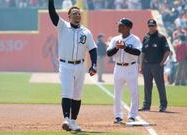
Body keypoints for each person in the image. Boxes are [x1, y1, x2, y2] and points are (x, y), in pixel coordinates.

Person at [48, 0, 97, 131]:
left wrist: (94, 65)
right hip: (65, 65)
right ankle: (66, 119)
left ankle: (73, 121)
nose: (77, 15)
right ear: (69, 16)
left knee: (77, 95)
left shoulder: (86, 32)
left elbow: (92, 49)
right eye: (74, 13)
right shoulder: (62, 26)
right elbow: (52, 14)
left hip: (80, 66)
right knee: (67, 92)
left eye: (79, 13)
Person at [107, 18, 141, 123]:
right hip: (118, 68)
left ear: (127, 27)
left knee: (134, 93)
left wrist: (125, 47)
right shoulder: (115, 39)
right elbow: (108, 53)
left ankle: (132, 115)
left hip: (131, 67)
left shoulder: (135, 39)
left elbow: (137, 52)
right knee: (117, 93)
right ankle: (118, 116)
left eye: (121, 25)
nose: (118, 27)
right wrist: (117, 48)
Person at [139, 19, 171, 112]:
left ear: (156, 26)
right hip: (147, 65)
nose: (151, 27)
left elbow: (167, 51)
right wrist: (141, 66)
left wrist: (162, 62)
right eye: (149, 25)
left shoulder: (161, 37)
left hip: (157, 65)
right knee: (147, 86)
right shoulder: (146, 38)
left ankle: (163, 105)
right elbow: (143, 53)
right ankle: (146, 105)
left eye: (152, 25)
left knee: (160, 85)